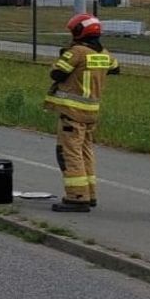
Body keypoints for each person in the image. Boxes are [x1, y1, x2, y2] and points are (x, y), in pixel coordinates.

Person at [44, 13, 119, 212]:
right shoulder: (105, 54)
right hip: (91, 113)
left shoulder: (76, 52)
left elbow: (56, 73)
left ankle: (77, 197)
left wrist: (65, 54)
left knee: (70, 153)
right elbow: (115, 67)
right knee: (86, 151)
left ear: (79, 32)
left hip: (72, 112)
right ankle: (90, 193)